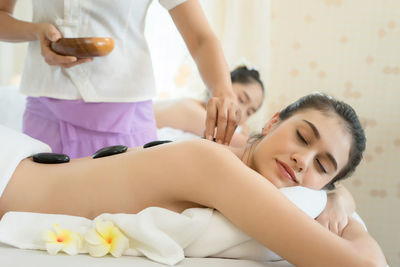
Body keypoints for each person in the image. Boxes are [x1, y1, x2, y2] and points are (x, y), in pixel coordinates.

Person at [0, 93, 386, 266]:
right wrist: (348, 216)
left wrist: (338, 197)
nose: (303, 160)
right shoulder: (214, 163)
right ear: (271, 123)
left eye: (323, 166)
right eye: (302, 137)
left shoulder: (227, 165)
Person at [0, 0, 241, 158]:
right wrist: (36, 31)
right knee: (41, 225)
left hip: (124, 117)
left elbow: (200, 37)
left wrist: (223, 90)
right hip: (45, 113)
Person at [154, 65, 265, 147]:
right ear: (226, 84)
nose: (241, 111)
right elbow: (252, 147)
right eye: (241, 99)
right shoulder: (190, 109)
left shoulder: (237, 129)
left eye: (249, 112)